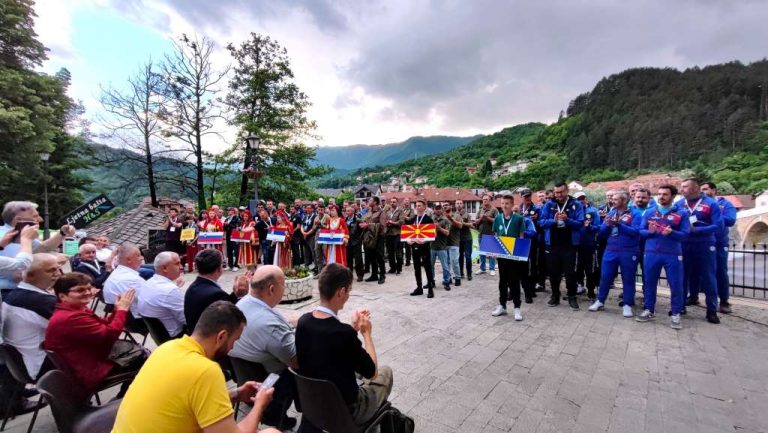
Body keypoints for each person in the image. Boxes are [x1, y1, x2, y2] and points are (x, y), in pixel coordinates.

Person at [112, 301, 279, 433]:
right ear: (221, 336)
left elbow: (186, 399)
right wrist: (259, 405)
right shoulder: (206, 370)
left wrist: (235, 394)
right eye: (234, 341)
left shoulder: (168, 348)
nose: (232, 348)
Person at [295, 264, 393, 427]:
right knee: (385, 372)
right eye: (348, 290)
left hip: (312, 402)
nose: (348, 295)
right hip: (345, 410)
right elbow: (372, 372)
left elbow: (330, 344)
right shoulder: (342, 333)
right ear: (341, 292)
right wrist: (366, 334)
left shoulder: (303, 322)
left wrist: (352, 329)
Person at [44, 273, 145, 394]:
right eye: (80, 290)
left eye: (88, 288)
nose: (87, 292)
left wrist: (117, 310)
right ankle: (126, 399)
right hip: (89, 371)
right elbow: (110, 335)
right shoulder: (70, 317)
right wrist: (122, 310)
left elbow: (104, 325)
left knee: (142, 356)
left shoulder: (75, 309)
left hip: (88, 359)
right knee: (146, 362)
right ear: (62, 296)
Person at [229, 266, 299, 430]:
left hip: (244, 376)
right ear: (272, 289)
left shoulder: (241, 304)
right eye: (284, 284)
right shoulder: (270, 326)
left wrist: (293, 323)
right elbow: (296, 361)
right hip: (272, 382)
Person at [1, 254, 58, 387]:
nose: (57, 274)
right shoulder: (41, 301)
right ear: (31, 275)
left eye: (57, 269)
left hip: (19, 366)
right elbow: (76, 329)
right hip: (38, 366)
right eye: (51, 270)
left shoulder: (16, 294)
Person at [637, 185, 689, 328]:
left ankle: (676, 313)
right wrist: (651, 232)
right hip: (652, 253)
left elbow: (685, 235)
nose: (661, 197)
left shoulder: (682, 213)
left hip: (672, 254)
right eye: (659, 194)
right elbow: (641, 231)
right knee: (649, 283)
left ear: (673, 196)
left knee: (676, 284)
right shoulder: (649, 212)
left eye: (665, 194)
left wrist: (672, 233)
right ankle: (649, 309)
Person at [588, 191, 642, 317]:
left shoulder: (635, 213)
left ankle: (627, 304)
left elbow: (636, 232)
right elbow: (602, 232)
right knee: (605, 276)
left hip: (628, 250)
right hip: (611, 249)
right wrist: (606, 225)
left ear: (624, 201)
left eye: (616, 199)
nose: (613, 201)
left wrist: (619, 225)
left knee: (628, 278)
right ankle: (600, 301)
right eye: (612, 199)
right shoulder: (612, 212)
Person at [676, 178, 723, 324]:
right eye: (681, 187)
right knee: (682, 276)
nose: (681, 189)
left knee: (709, 278)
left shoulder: (711, 204)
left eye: (685, 187)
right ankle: (680, 306)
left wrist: (697, 230)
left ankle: (711, 311)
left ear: (695, 188)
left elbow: (718, 226)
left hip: (704, 244)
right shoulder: (679, 204)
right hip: (684, 244)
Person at [0, 201, 75, 289]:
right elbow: (21, 266)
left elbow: (43, 248)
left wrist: (62, 233)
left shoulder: (20, 234)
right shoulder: (10, 236)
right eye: (35, 216)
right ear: (19, 219)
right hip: (6, 291)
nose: (40, 219)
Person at [540, 182, 584, 310]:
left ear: (567, 191)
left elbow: (580, 224)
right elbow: (541, 222)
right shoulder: (549, 204)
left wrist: (567, 220)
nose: (558, 195)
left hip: (569, 244)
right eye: (556, 192)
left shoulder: (576, 204)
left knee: (570, 273)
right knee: (554, 272)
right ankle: (555, 295)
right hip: (552, 244)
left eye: (561, 192)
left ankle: (572, 296)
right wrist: (553, 221)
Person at [184, 249, 250, 332]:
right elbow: (232, 316)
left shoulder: (193, 287)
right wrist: (242, 295)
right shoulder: (216, 294)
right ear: (219, 269)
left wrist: (235, 294)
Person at [701, 182, 736, 314]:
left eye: (705, 189)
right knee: (700, 271)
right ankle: (694, 297)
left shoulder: (725, 204)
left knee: (720, 271)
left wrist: (713, 214)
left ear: (714, 190)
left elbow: (731, 219)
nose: (703, 191)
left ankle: (724, 302)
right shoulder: (700, 205)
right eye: (701, 189)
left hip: (719, 243)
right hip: (702, 243)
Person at [490, 194, 527, 320]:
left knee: (514, 282)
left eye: (507, 203)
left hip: (514, 255)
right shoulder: (498, 218)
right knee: (502, 281)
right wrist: (493, 251)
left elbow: (521, 236)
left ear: (512, 205)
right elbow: (495, 235)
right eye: (503, 203)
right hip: (501, 255)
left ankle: (517, 308)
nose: (504, 206)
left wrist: (520, 255)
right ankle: (502, 306)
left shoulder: (518, 218)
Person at [137, 252, 187, 338]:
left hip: (159, 336)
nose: (181, 267)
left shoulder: (148, 283)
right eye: (177, 263)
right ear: (164, 268)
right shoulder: (170, 290)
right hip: (177, 336)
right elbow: (187, 319)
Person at [574, 192, 601, 301]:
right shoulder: (574, 211)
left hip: (590, 244)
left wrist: (589, 227)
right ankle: (579, 286)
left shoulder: (593, 211)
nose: (581, 200)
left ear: (586, 199)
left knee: (590, 269)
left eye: (582, 198)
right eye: (578, 199)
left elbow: (598, 227)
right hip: (576, 244)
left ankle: (591, 291)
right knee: (577, 267)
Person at [407, 199, 436, 298]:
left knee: (427, 267)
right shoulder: (413, 219)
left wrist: (425, 241)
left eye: (419, 205)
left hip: (424, 247)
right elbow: (407, 233)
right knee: (416, 268)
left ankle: (430, 289)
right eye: (416, 205)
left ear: (424, 207)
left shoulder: (428, 219)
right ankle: (419, 288)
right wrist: (408, 240)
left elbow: (433, 234)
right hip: (415, 246)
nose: (417, 207)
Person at [360, 197, 387, 284]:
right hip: (370, 237)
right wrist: (362, 223)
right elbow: (364, 220)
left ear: (375, 202)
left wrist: (368, 225)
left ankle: (382, 275)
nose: (368, 202)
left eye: (370, 200)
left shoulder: (381, 212)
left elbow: (382, 226)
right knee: (371, 256)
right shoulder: (369, 212)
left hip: (379, 237)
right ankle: (374, 275)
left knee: (380, 256)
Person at [430, 203, 453, 291]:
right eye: (436, 208)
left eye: (439, 208)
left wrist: (439, 228)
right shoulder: (431, 219)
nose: (438, 210)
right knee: (430, 266)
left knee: (445, 266)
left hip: (442, 247)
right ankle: (431, 282)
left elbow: (447, 233)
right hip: (432, 246)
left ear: (442, 209)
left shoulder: (446, 220)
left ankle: (446, 282)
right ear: (434, 209)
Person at [474, 195, 498, 275]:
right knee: (482, 252)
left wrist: (487, 218)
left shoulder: (494, 210)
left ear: (490, 200)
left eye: (486, 199)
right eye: (483, 199)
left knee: (491, 252)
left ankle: (492, 268)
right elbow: (476, 221)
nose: (484, 201)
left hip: (491, 234)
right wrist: (480, 218)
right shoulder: (480, 210)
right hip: (481, 234)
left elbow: (497, 221)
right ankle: (482, 268)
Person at [443, 202, 462, 286]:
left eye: (446, 205)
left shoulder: (456, 215)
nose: (445, 206)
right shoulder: (441, 216)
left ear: (450, 206)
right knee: (446, 263)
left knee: (454, 261)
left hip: (454, 242)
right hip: (444, 243)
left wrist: (450, 219)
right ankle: (448, 278)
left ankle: (457, 277)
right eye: (443, 205)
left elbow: (460, 226)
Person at [384, 198, 404, 274]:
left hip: (397, 234)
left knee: (398, 252)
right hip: (389, 234)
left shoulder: (400, 211)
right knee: (390, 252)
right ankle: (392, 268)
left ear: (397, 203)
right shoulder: (388, 212)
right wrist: (387, 222)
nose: (392, 203)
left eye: (394, 202)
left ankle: (399, 269)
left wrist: (393, 223)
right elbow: (385, 220)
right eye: (391, 202)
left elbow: (402, 222)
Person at [345, 205, 365, 282]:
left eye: (349, 210)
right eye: (346, 211)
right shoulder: (345, 220)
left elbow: (362, 230)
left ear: (353, 211)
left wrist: (359, 239)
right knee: (348, 260)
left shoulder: (358, 220)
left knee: (358, 260)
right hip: (348, 243)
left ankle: (360, 275)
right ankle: (349, 276)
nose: (347, 212)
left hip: (356, 242)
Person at [454, 199, 473, 281]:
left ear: (463, 205)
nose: (459, 205)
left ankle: (469, 274)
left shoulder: (467, 214)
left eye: (460, 203)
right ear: (455, 205)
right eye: (457, 203)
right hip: (458, 238)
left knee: (468, 257)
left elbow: (471, 225)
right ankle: (461, 273)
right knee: (460, 257)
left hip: (467, 238)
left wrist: (462, 223)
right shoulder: (453, 214)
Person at [223, 207, 243, 271]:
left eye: (230, 211)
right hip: (228, 236)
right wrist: (225, 225)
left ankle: (236, 265)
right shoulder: (227, 218)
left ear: (233, 211)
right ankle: (230, 265)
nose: (228, 212)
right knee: (229, 251)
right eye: (228, 211)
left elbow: (237, 227)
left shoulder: (237, 218)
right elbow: (225, 228)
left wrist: (228, 224)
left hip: (235, 236)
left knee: (236, 250)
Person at [300, 204, 318, 269]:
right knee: (305, 252)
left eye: (309, 208)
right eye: (306, 208)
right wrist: (303, 232)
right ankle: (306, 266)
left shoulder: (315, 216)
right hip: (304, 236)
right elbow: (302, 225)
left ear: (313, 209)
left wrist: (306, 234)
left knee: (314, 252)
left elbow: (314, 228)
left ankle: (316, 267)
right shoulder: (305, 216)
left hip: (311, 236)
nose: (307, 209)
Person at [401, 198, 414, 267]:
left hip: (408, 229)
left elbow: (411, 219)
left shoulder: (411, 210)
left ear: (409, 203)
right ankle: (401, 260)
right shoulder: (401, 210)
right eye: (405, 201)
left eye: (407, 201)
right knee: (400, 245)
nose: (406, 202)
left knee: (407, 246)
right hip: (400, 228)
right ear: (403, 202)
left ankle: (408, 260)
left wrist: (404, 217)